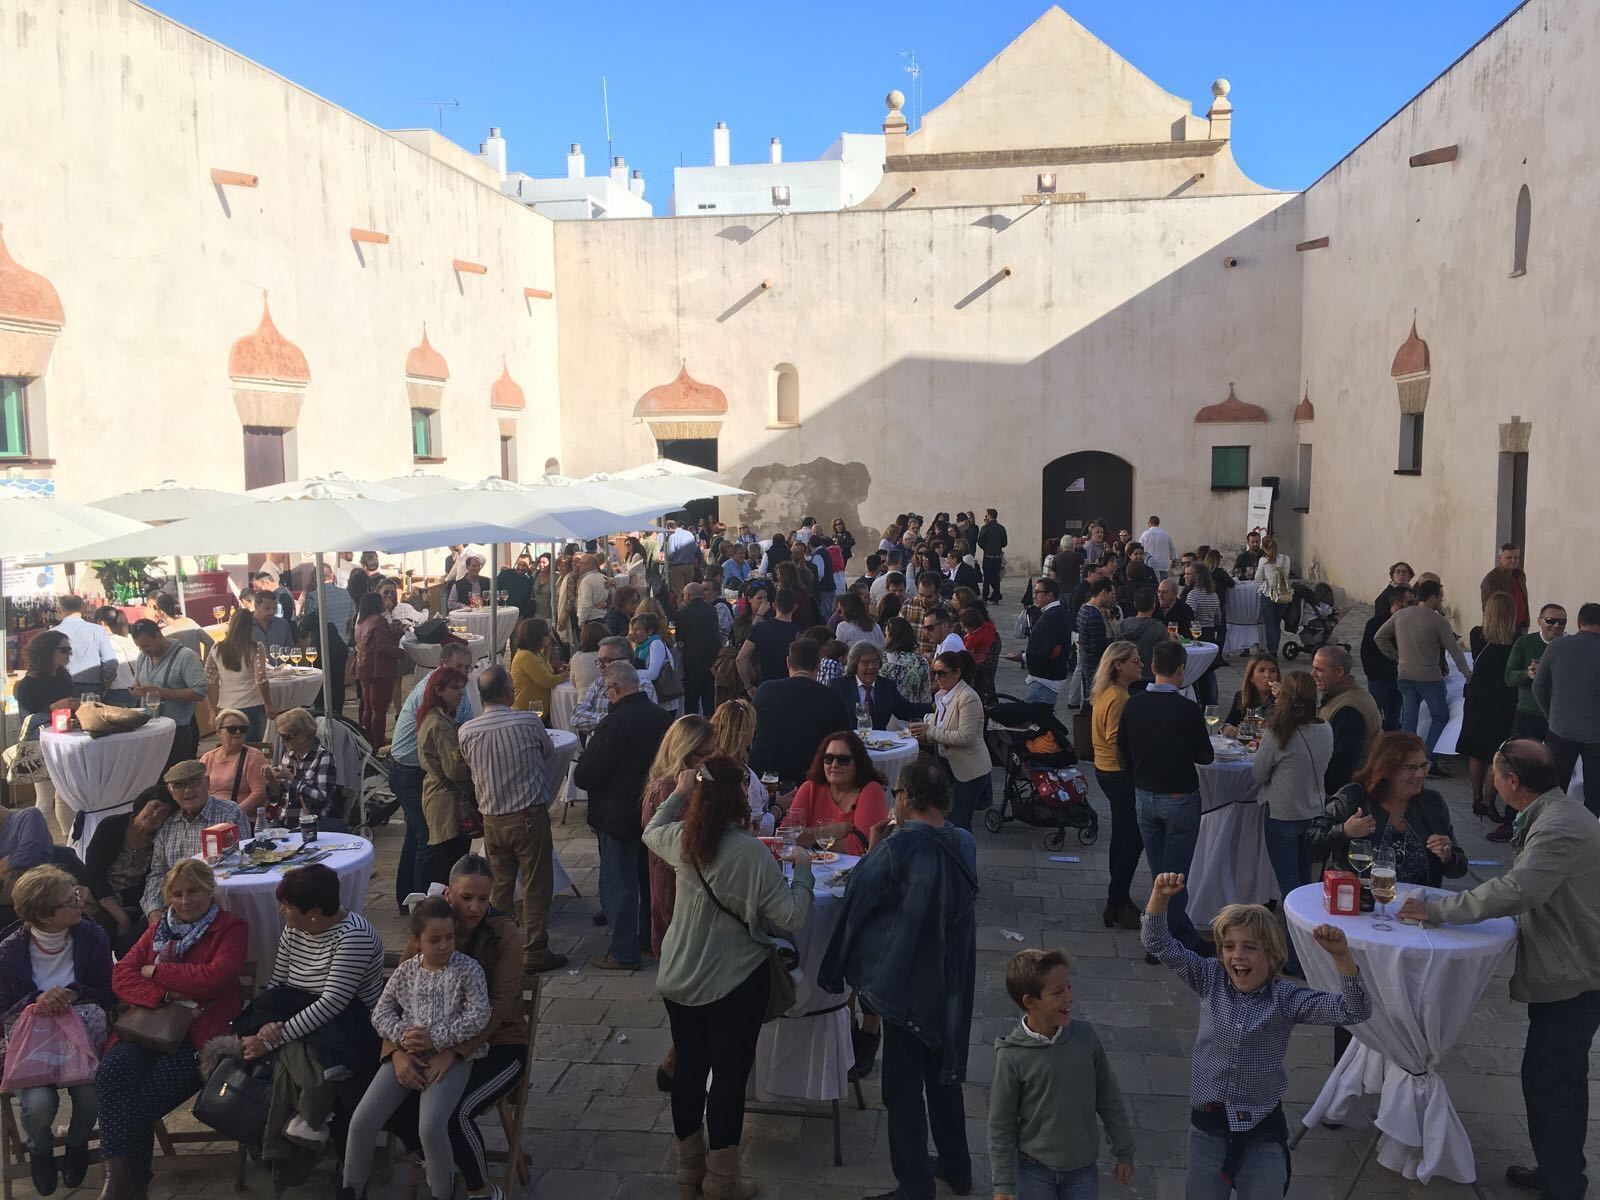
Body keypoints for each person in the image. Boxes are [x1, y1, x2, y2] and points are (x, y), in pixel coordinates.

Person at [1397, 741, 1600, 1199]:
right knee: (1559, 1077)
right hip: (1575, 965)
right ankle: (1559, 1169)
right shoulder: (1553, 814)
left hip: (1577, 973)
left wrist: (1438, 909)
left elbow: (1514, 891)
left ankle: (1564, 1183)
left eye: (1493, 772)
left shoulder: (1558, 826)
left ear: (1510, 782)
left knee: (1551, 1080)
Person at [644, 755, 813, 1199]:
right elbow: (791, 917)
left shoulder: (684, 838)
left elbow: (649, 830)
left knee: (689, 1073)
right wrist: (804, 870)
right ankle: (721, 1181)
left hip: (679, 976)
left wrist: (678, 793)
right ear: (740, 796)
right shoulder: (752, 853)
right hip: (734, 982)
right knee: (727, 1080)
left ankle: (688, 1174)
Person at [1143, 877, 1370, 1199]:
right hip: (1208, 1127)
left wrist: (1342, 958)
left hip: (1261, 1130)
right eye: (1229, 946)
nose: (1237, 956)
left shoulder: (1286, 999)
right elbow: (1158, 944)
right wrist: (1158, 897)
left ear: (1273, 955)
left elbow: (1354, 1011)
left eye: (1250, 947)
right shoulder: (1210, 978)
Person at [820, 757, 978, 1200]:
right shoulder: (964, 842)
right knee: (945, 1079)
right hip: (953, 980)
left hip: (908, 983)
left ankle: (914, 1185)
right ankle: (957, 1168)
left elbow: (857, 896)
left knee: (902, 1090)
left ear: (905, 797)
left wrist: (874, 845)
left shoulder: (897, 847)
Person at [383, 855, 534, 1200]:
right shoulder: (430, 925)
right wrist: (395, 1052)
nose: (475, 907)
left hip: (500, 1043)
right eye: (467, 898)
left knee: (456, 1112)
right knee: (382, 1093)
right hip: (429, 1045)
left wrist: (455, 1051)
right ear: (450, 894)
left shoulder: (503, 933)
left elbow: (499, 1007)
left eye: (483, 898)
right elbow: (394, 997)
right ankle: (434, 1159)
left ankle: (482, 1190)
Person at [97, 859, 247, 1200]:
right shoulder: (157, 930)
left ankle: (127, 1186)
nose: (184, 901)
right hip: (150, 1026)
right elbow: (121, 976)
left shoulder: (230, 928)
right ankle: (121, 1183)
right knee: (111, 1073)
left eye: (193, 891)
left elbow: (215, 977)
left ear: (210, 890)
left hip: (198, 1034)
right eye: (176, 894)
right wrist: (163, 993)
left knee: (138, 1104)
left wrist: (156, 972)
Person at [340, 896, 491, 1200]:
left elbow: (479, 1016)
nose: (445, 946)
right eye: (435, 940)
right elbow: (381, 1012)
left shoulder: (468, 970)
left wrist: (437, 1039)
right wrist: (404, 1038)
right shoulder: (407, 971)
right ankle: (351, 1189)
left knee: (432, 1126)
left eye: (449, 938)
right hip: (407, 1054)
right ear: (417, 940)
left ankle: (441, 1192)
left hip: (451, 1058)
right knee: (363, 1119)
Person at [240, 865, 386, 1161]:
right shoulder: (296, 929)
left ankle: (305, 1138)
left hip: (347, 1024)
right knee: (250, 1031)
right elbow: (278, 982)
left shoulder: (352, 936)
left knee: (285, 1057)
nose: (281, 911)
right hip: (297, 1010)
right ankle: (288, 1132)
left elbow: (332, 1003)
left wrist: (273, 1039)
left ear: (315, 912)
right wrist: (270, 1025)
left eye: (288, 906)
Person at [987, 948, 1135, 1199]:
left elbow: (1109, 1096)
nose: (1069, 998)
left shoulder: (1085, 1038)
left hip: (1082, 1170)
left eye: (1069, 987)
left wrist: (1124, 1151)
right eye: (1058, 992)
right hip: (1034, 1171)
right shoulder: (1011, 1056)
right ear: (1030, 1002)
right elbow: (1001, 1124)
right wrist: (1003, 1183)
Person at [0, 866, 112, 1194]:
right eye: (71, 900)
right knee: (37, 1104)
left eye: (76, 895)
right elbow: (2, 1009)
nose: (81, 902)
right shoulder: (9, 953)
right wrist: (38, 1000)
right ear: (46, 915)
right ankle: (40, 1151)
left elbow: (109, 991)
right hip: (31, 1045)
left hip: (82, 1041)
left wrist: (76, 992)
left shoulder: (92, 936)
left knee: (91, 1096)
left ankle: (77, 1145)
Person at [458, 665, 565, 974]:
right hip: (527, 815)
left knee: (501, 887)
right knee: (535, 884)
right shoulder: (527, 721)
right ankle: (535, 949)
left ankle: (499, 947)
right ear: (509, 691)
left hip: (492, 817)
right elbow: (547, 750)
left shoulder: (467, 730)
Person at [574, 662, 674, 970]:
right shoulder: (662, 718)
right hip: (654, 812)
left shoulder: (614, 723)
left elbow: (586, 773)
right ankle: (648, 939)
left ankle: (623, 951)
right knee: (650, 880)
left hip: (617, 815)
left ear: (615, 690)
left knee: (621, 884)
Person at [1118, 640, 1213, 950]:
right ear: (1182, 669)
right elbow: (1206, 756)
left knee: (1161, 873)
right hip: (1179, 798)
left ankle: (1178, 931)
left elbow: (1122, 752)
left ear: (1153, 667)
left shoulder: (1133, 704)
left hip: (1145, 797)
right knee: (1174, 876)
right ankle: (1163, 942)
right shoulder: (1187, 709)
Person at [1250, 672, 1331, 974]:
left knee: (1290, 890)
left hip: (1283, 814)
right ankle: (1310, 953)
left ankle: (1297, 959)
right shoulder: (1325, 729)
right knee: (1305, 887)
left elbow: (1258, 774)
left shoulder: (1278, 732)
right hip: (1313, 812)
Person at [1308, 731, 1465, 884]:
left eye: (1423, 766)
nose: (1420, 774)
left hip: (1417, 904)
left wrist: (1448, 856)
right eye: (1411, 767)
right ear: (1387, 770)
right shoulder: (1353, 797)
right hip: (1360, 901)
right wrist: (1344, 831)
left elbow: (1459, 869)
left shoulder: (1432, 803)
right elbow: (1312, 840)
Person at [388, 642, 474, 910]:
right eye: (457, 667)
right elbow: (458, 748)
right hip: (410, 770)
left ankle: (408, 898)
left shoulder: (445, 694)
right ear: (442, 665)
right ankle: (424, 905)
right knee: (429, 838)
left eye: (467, 668)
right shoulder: (437, 700)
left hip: (414, 768)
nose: (462, 674)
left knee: (415, 835)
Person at [1375, 579, 1471, 768]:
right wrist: (1467, 673)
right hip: (1429, 677)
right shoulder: (1438, 620)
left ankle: (1403, 758)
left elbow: (1379, 637)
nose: (1441, 601)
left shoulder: (1401, 615)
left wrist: (1396, 656)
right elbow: (1455, 651)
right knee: (1440, 716)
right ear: (1433, 597)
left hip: (1404, 674)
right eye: (1440, 597)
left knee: (1409, 718)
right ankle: (1428, 759)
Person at [140, 760, 250, 922]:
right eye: (179, 786)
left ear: (207, 782)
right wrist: (153, 910)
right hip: (176, 908)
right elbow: (157, 874)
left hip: (218, 907)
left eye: (194, 782)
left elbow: (245, 863)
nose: (187, 791)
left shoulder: (230, 814)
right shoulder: (167, 825)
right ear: (171, 793)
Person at [1091, 641, 1145, 933]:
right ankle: (1117, 900)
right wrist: (1134, 768)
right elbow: (1115, 740)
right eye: (1135, 661)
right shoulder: (1118, 697)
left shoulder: (1107, 692)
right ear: (1118, 665)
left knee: (1123, 836)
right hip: (1117, 772)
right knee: (1133, 840)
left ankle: (1120, 898)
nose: (1141, 664)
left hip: (1105, 770)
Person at [82, 785, 174, 956]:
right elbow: (94, 872)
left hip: (134, 904)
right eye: (154, 807)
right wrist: (121, 918)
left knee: (130, 948)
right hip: (98, 897)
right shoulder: (111, 825)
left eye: (164, 813)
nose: (156, 816)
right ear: (143, 804)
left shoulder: (160, 840)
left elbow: (151, 881)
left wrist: (124, 910)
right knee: (98, 932)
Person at [749, 639, 853, 786]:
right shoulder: (832, 698)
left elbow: (751, 730)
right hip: (812, 779)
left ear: (788, 662)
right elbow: (846, 741)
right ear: (818, 666)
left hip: (767, 777)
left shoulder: (766, 690)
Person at [1532, 601, 1600, 817]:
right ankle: (1588, 838)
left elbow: (1539, 686)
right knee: (1595, 793)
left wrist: (1551, 715)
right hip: (1596, 733)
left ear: (1579, 622)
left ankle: (1549, 831)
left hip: (1560, 728)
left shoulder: (1556, 646)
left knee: (1553, 789)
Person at [909, 650, 988, 831]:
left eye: (942, 673)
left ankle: (962, 856)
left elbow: (965, 736)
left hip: (968, 769)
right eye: (934, 673)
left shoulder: (968, 697)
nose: (936, 677)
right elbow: (941, 726)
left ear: (957, 672)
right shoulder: (944, 695)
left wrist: (930, 731)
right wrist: (924, 731)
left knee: (960, 822)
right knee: (947, 819)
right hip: (947, 765)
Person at [1459, 592, 1520, 825]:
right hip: (1504, 698)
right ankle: (1488, 801)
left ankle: (1476, 798)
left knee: (1477, 750)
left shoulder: (1477, 634)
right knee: (1497, 751)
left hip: (1479, 697)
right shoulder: (1516, 640)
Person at [781, 732, 888, 856]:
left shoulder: (871, 790)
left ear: (858, 763)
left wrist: (808, 840)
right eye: (829, 759)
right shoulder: (810, 788)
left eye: (843, 760)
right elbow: (786, 836)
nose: (834, 765)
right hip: (811, 867)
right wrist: (830, 831)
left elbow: (860, 846)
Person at [418, 667, 475, 887]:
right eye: (455, 688)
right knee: (448, 864)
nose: (460, 693)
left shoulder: (434, 716)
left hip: (438, 795)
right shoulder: (439, 723)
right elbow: (455, 769)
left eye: (462, 687)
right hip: (445, 800)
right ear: (439, 691)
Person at [129, 617, 207, 768]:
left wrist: (162, 692)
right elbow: (137, 681)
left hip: (177, 732)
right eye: (139, 647)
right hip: (150, 729)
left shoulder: (186, 657)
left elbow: (199, 692)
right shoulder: (142, 657)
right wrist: (136, 689)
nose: (144, 650)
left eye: (146, 645)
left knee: (175, 782)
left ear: (158, 635)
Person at [1312, 645, 1381, 795]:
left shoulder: (1349, 709)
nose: (1313, 674)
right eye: (1314, 668)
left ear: (1339, 672)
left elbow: (1343, 763)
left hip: (1346, 792)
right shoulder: (1344, 696)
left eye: (1320, 670)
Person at [831, 642, 931, 731]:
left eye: (875, 662)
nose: (871, 667)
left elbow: (907, 711)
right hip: (848, 746)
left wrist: (934, 707)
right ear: (854, 665)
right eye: (865, 663)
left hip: (879, 746)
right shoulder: (838, 686)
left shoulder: (887, 686)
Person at [264, 706, 339, 823]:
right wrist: (271, 782)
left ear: (303, 736)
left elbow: (322, 798)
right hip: (283, 824)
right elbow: (278, 798)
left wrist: (290, 777)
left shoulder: (324, 757)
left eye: (286, 736)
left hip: (311, 826)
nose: (282, 741)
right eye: (281, 736)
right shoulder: (288, 756)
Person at [353, 591, 407, 750]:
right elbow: (383, 647)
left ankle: (369, 739)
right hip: (379, 669)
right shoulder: (379, 620)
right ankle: (379, 744)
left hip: (363, 667)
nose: (385, 601)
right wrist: (402, 653)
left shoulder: (361, 622)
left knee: (368, 708)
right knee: (380, 710)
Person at [1506, 602, 1567, 741]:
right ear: (1539, 621)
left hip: (1560, 715)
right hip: (1529, 713)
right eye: (1550, 621)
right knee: (1522, 759)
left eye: (1562, 622)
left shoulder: (1570, 645)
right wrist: (1528, 673)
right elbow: (1509, 677)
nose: (1557, 625)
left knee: (1557, 761)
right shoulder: (1524, 643)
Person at [200, 707, 269, 815]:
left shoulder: (254, 756)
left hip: (242, 817)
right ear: (218, 732)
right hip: (212, 816)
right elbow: (201, 791)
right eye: (232, 729)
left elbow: (259, 793)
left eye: (243, 729)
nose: (238, 732)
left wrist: (234, 813)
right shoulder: (207, 758)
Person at [1360, 586, 1411, 731]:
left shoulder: (1409, 623)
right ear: (1397, 603)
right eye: (1409, 602)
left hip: (1399, 677)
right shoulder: (1375, 623)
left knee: (1394, 718)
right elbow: (1366, 652)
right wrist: (1373, 673)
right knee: (1373, 718)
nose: (1413, 606)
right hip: (1379, 678)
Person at [13, 629, 74, 742]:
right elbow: (27, 722)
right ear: (48, 652)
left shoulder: (64, 677)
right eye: (64, 650)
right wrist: (52, 709)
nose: (69, 653)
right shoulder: (28, 684)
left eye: (70, 649)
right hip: (41, 741)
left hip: (64, 736)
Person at [52, 593, 117, 695]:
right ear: (83, 608)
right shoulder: (98, 630)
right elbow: (111, 662)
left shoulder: (51, 634)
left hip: (60, 687)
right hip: (91, 688)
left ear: (59, 610)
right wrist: (104, 681)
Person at [675, 583, 722, 718]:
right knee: (709, 702)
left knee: (691, 703)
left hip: (693, 663)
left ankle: (694, 732)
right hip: (712, 662)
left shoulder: (682, 613)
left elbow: (680, 640)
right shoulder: (712, 610)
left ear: (688, 595)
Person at [509, 617, 567, 715]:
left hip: (535, 710)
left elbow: (547, 672)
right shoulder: (526, 656)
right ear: (537, 636)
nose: (550, 636)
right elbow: (547, 681)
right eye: (546, 633)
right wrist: (566, 675)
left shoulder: (536, 653)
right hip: (527, 712)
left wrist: (558, 671)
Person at [1076, 579, 1118, 712]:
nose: (1112, 600)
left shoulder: (1083, 609)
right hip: (1094, 666)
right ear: (1103, 593)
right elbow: (1099, 647)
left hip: (1086, 662)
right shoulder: (1094, 615)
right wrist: (1115, 643)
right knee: (1093, 704)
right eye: (1112, 595)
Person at [90, 605, 140, 707]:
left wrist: (104, 686)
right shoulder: (130, 638)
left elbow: (111, 666)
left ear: (101, 623)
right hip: (136, 690)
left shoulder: (107, 641)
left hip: (116, 692)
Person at [1252, 535, 1292, 658]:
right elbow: (1287, 575)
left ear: (1264, 548)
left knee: (1270, 624)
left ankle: (1272, 651)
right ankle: (1275, 648)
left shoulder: (1263, 561)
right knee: (1277, 623)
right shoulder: (1286, 559)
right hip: (1283, 595)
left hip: (1268, 594)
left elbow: (1257, 578)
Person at [1116, 586, 1167, 683]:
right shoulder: (1159, 629)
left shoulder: (1123, 625)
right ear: (1154, 605)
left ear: (1135, 604)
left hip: (1125, 678)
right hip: (1150, 679)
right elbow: (1164, 658)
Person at [1480, 542, 1530, 634]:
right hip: (1503, 629)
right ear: (1500, 558)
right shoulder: (1491, 580)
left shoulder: (1520, 575)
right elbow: (1488, 609)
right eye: (1509, 558)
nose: (1513, 561)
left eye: (1516, 557)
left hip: (1520, 627)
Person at [247, 587, 295, 653]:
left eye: (275, 608)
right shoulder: (245, 624)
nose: (272, 612)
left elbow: (290, 651)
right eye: (267, 608)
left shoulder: (283, 625)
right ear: (256, 606)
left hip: (279, 663)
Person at [569, 620, 610, 696]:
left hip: (583, 702)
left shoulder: (576, 657)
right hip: (606, 701)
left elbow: (573, 682)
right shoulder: (608, 656)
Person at [975, 508, 1007, 603]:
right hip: (997, 556)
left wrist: (986, 548)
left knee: (987, 578)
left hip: (988, 556)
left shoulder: (985, 528)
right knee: (996, 577)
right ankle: (996, 598)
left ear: (989, 516)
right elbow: (1004, 543)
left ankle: (985, 598)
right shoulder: (1001, 528)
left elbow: (980, 541)